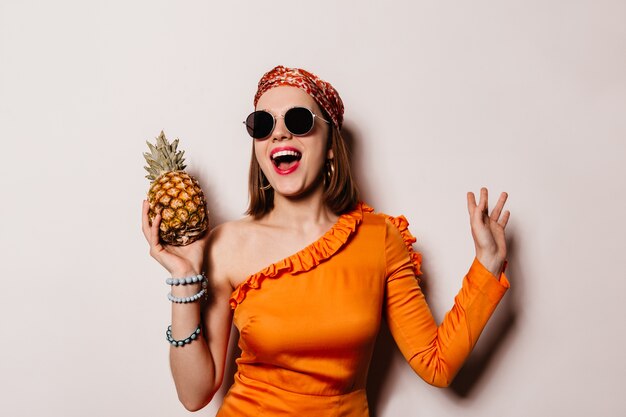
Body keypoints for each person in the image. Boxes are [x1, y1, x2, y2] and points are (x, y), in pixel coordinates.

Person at [142, 65, 511, 416]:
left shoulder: (379, 237)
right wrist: (184, 276)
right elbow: (194, 394)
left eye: (299, 121)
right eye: (263, 124)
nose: (279, 134)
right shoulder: (228, 244)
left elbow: (437, 365)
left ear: (331, 145)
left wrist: (487, 265)